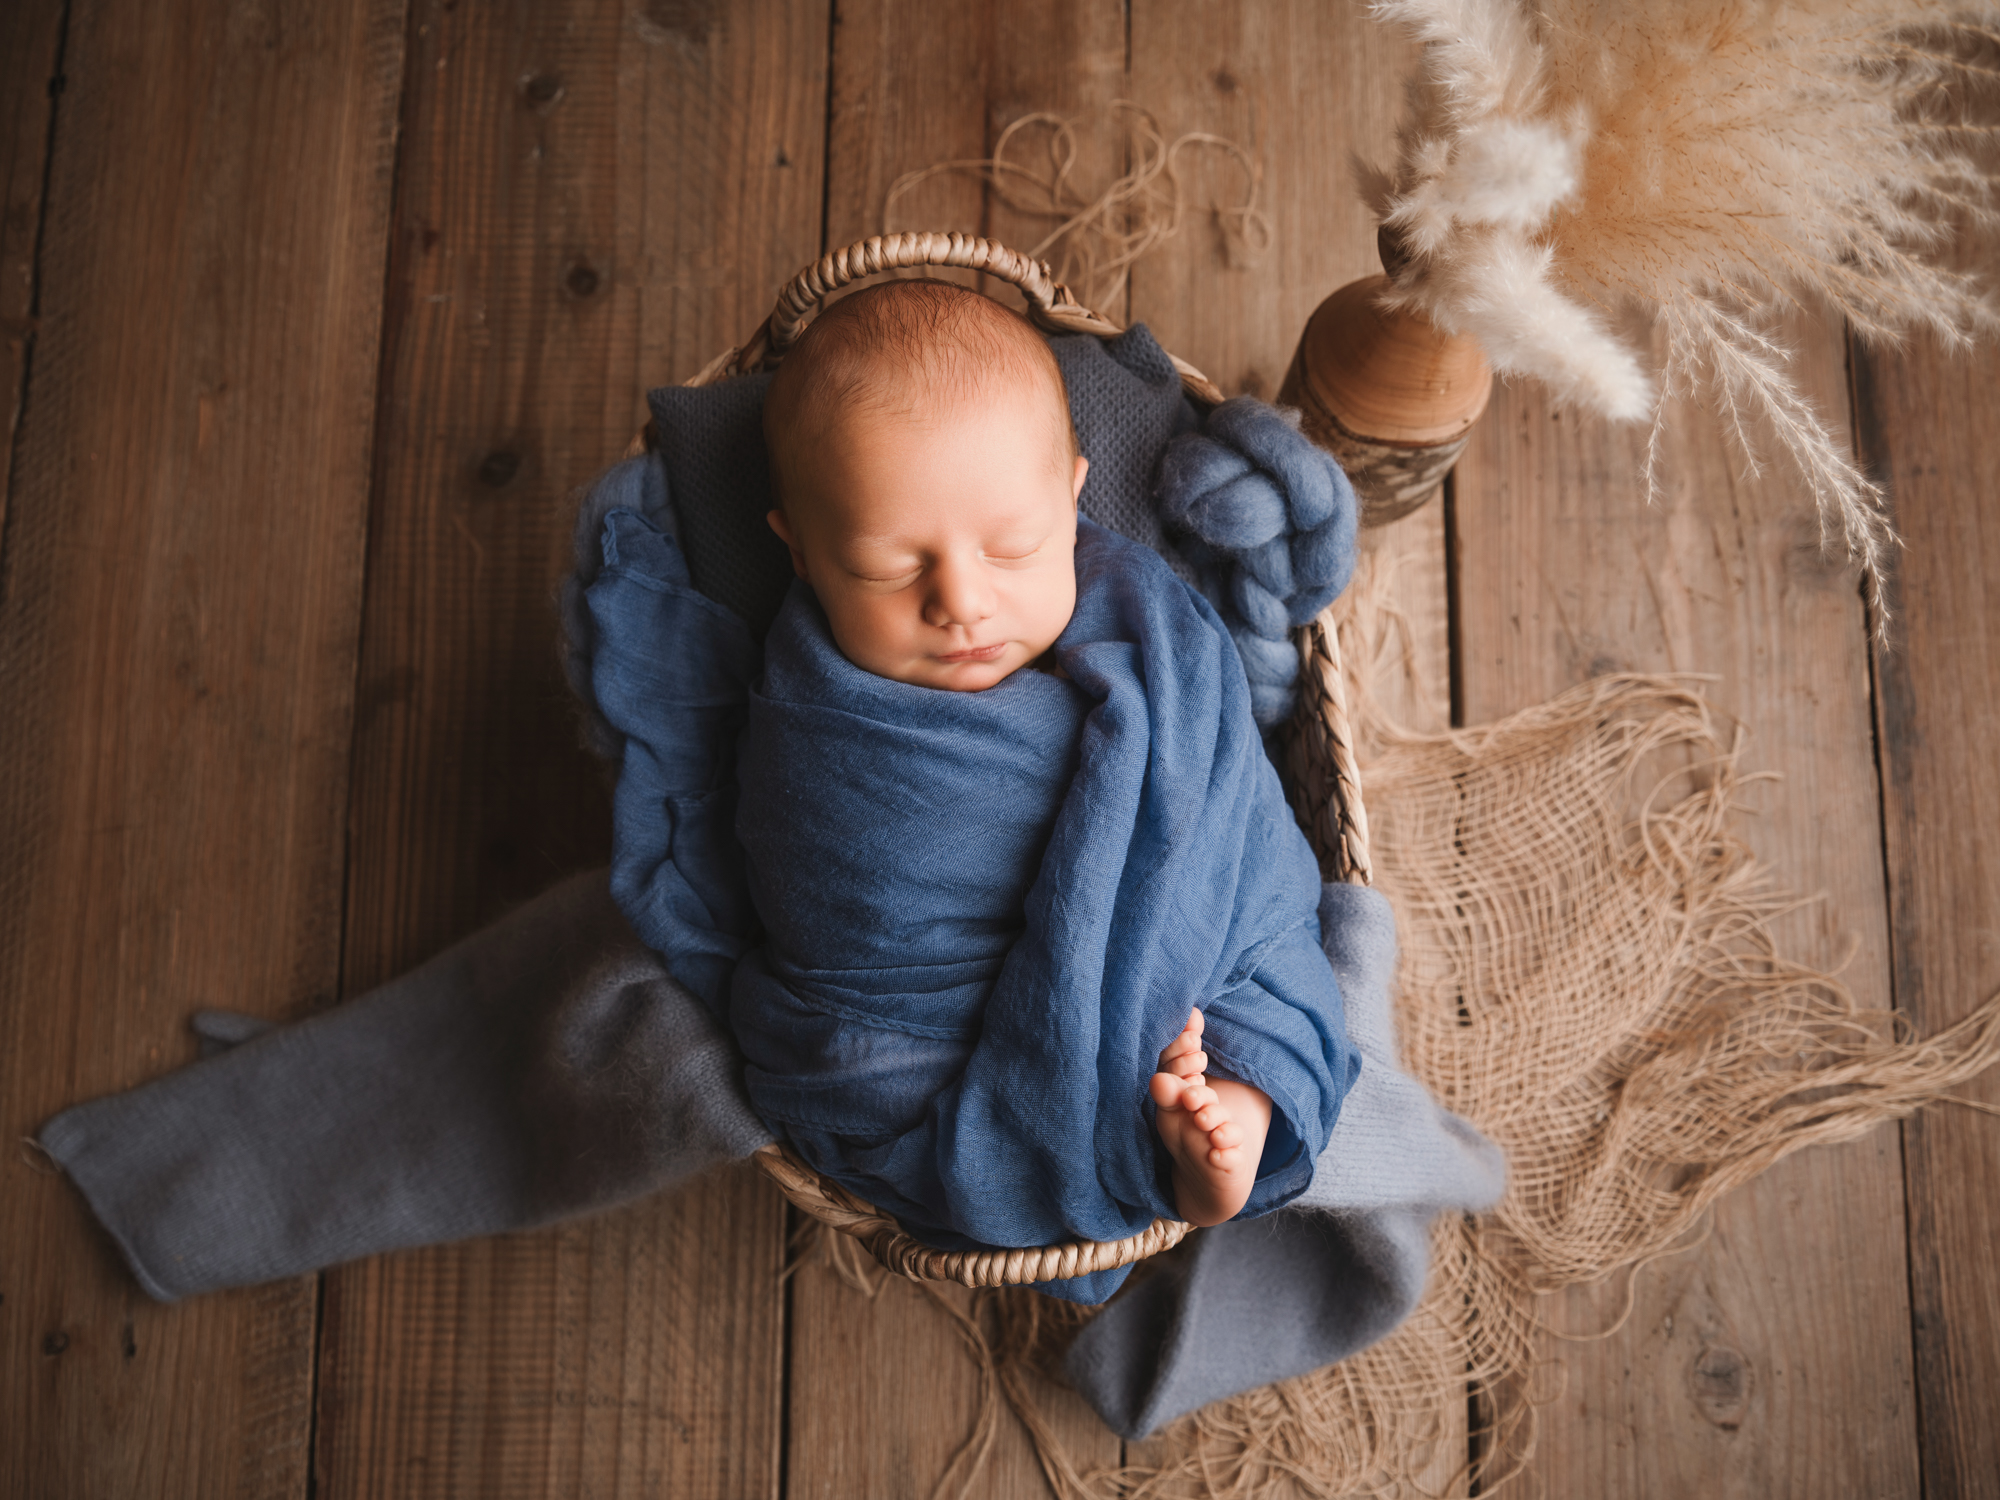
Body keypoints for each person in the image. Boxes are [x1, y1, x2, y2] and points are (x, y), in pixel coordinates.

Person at [750, 278, 1314, 1229]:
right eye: (890, 568)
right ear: (800, 552)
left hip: (1185, 974)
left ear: (1074, 496)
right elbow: (810, 884)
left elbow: (1231, 813)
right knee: (853, 1068)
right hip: (924, 1034)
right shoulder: (811, 717)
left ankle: (1237, 1119)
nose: (961, 602)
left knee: (1276, 977)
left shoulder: (1152, 635)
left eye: (1014, 547)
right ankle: (1140, 1142)